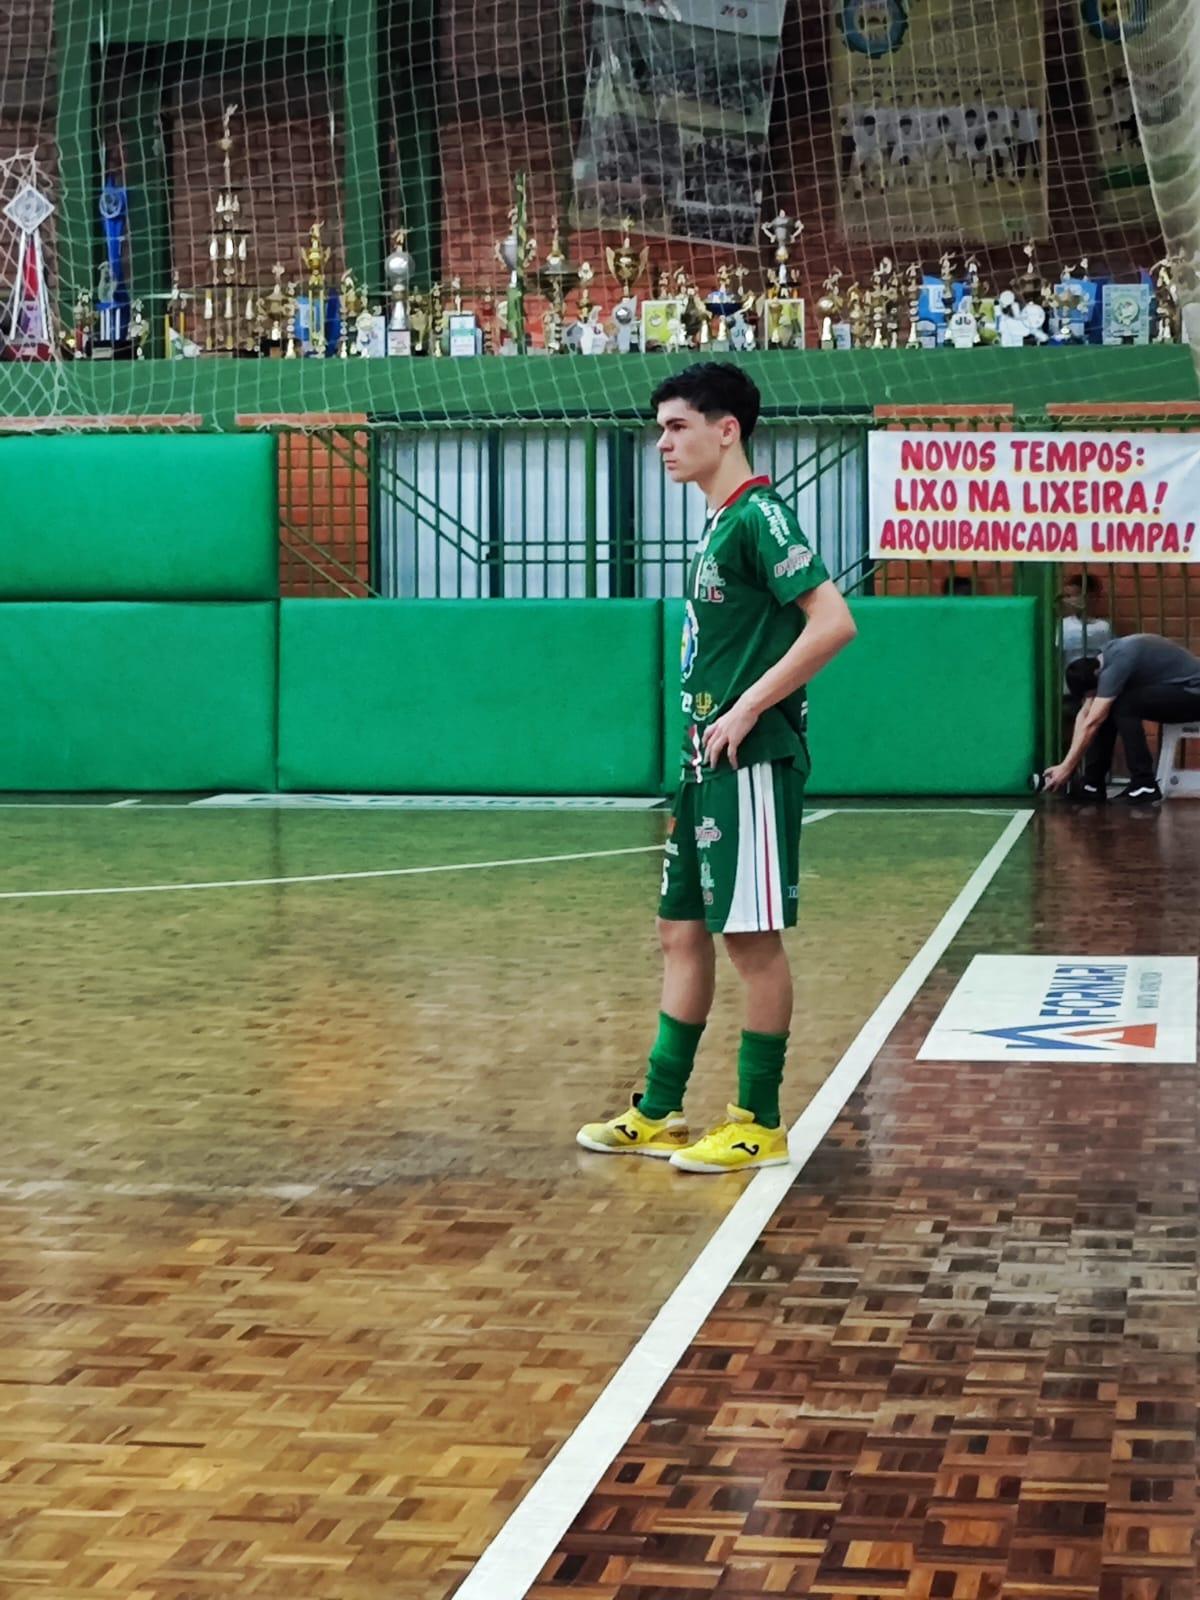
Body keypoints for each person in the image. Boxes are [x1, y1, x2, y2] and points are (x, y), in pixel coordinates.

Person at [577, 363, 857, 1173]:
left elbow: (834, 623)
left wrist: (747, 709)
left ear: (724, 428)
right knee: (679, 931)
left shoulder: (760, 516)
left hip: (753, 758)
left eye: (676, 426)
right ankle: (659, 1109)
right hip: (705, 762)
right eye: (661, 428)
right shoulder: (719, 521)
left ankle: (758, 1119)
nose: (661, 442)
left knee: (751, 940)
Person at [1044, 632, 1200, 804]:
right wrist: (1065, 764)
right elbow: (1086, 714)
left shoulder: (1118, 664)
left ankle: (1144, 784)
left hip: (1193, 694)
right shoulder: (1105, 659)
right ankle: (1092, 785)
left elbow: (1092, 723)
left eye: (1093, 694)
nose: (1094, 698)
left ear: (1097, 675)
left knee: (1123, 704)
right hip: (1178, 690)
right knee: (1109, 706)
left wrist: (1067, 767)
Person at [1060, 573, 1114, 684]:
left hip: (1094, 682)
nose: (1067, 601)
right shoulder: (1062, 625)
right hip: (1066, 683)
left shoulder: (1104, 627)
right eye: (1066, 596)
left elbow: (1109, 656)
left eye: (1072, 596)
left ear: (1090, 597)